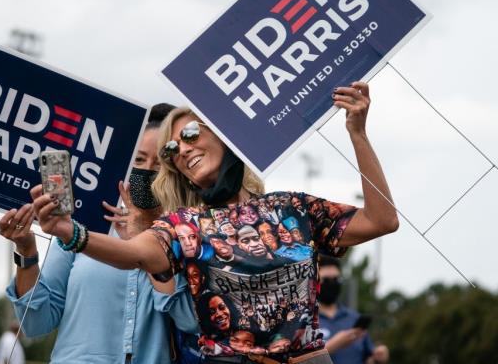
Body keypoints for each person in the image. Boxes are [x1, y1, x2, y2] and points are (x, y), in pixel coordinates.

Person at [31, 82, 399, 363]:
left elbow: (381, 220)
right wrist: (70, 232)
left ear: (223, 136)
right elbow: (132, 254)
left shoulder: (292, 208)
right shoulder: (184, 227)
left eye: (190, 134)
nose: (183, 149)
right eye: (172, 150)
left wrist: (358, 134)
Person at [0, 103, 198, 364]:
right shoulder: (83, 227)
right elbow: (36, 324)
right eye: (138, 160)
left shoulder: (189, 236)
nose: (147, 170)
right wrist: (26, 252)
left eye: (160, 163)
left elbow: (190, 321)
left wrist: (146, 246)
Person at [317, 256, 389, 364]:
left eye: (336, 279)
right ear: (316, 281)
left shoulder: (354, 318)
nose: (332, 284)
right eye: (326, 280)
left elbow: (367, 359)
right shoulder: (305, 321)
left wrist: (378, 358)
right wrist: (332, 345)